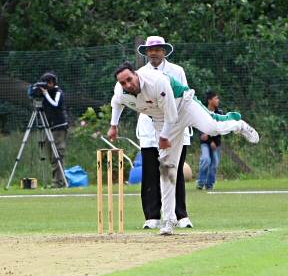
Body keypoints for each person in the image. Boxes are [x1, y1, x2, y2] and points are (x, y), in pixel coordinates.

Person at [108, 62, 259, 235]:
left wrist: (164, 137)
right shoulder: (121, 91)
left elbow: (171, 114)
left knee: (212, 128)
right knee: (167, 169)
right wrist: (114, 126)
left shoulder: (156, 81)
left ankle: (238, 124)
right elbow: (116, 103)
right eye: (123, 83)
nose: (128, 85)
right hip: (161, 121)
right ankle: (169, 220)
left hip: (184, 106)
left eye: (129, 79)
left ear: (136, 74)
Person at [136, 36, 193, 229]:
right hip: (149, 128)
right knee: (151, 172)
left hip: (174, 127)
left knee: (173, 170)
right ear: (146, 52)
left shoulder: (176, 71)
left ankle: (181, 215)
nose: (154, 53)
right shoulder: (139, 74)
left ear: (164, 51)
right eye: (150, 50)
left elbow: (186, 96)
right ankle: (152, 216)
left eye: (157, 49)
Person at [37, 72, 69, 187]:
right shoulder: (47, 93)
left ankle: (59, 182)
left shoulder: (58, 92)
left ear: (52, 83)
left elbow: (55, 104)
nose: (45, 86)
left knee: (58, 154)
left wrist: (46, 94)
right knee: (51, 154)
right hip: (49, 127)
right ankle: (57, 180)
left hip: (59, 127)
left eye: (46, 83)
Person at [197, 90, 223, 190]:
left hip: (216, 143)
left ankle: (209, 184)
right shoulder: (203, 112)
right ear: (209, 100)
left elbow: (218, 128)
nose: (218, 100)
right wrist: (206, 137)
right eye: (216, 98)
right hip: (205, 143)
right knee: (206, 159)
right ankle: (201, 182)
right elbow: (200, 126)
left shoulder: (220, 113)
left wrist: (212, 140)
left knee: (214, 164)